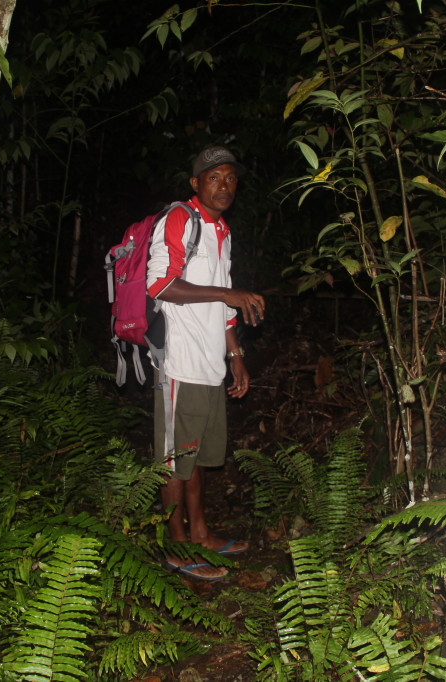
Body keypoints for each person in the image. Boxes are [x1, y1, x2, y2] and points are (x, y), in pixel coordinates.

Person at [145, 146, 266, 581]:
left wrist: (235, 355)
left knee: (194, 456)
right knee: (175, 458)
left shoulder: (222, 231)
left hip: (210, 361)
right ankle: (175, 545)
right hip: (178, 360)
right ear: (195, 184)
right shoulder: (179, 220)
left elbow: (224, 301)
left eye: (231, 178)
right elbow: (159, 284)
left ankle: (200, 534)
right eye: (214, 178)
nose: (224, 186)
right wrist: (226, 295)